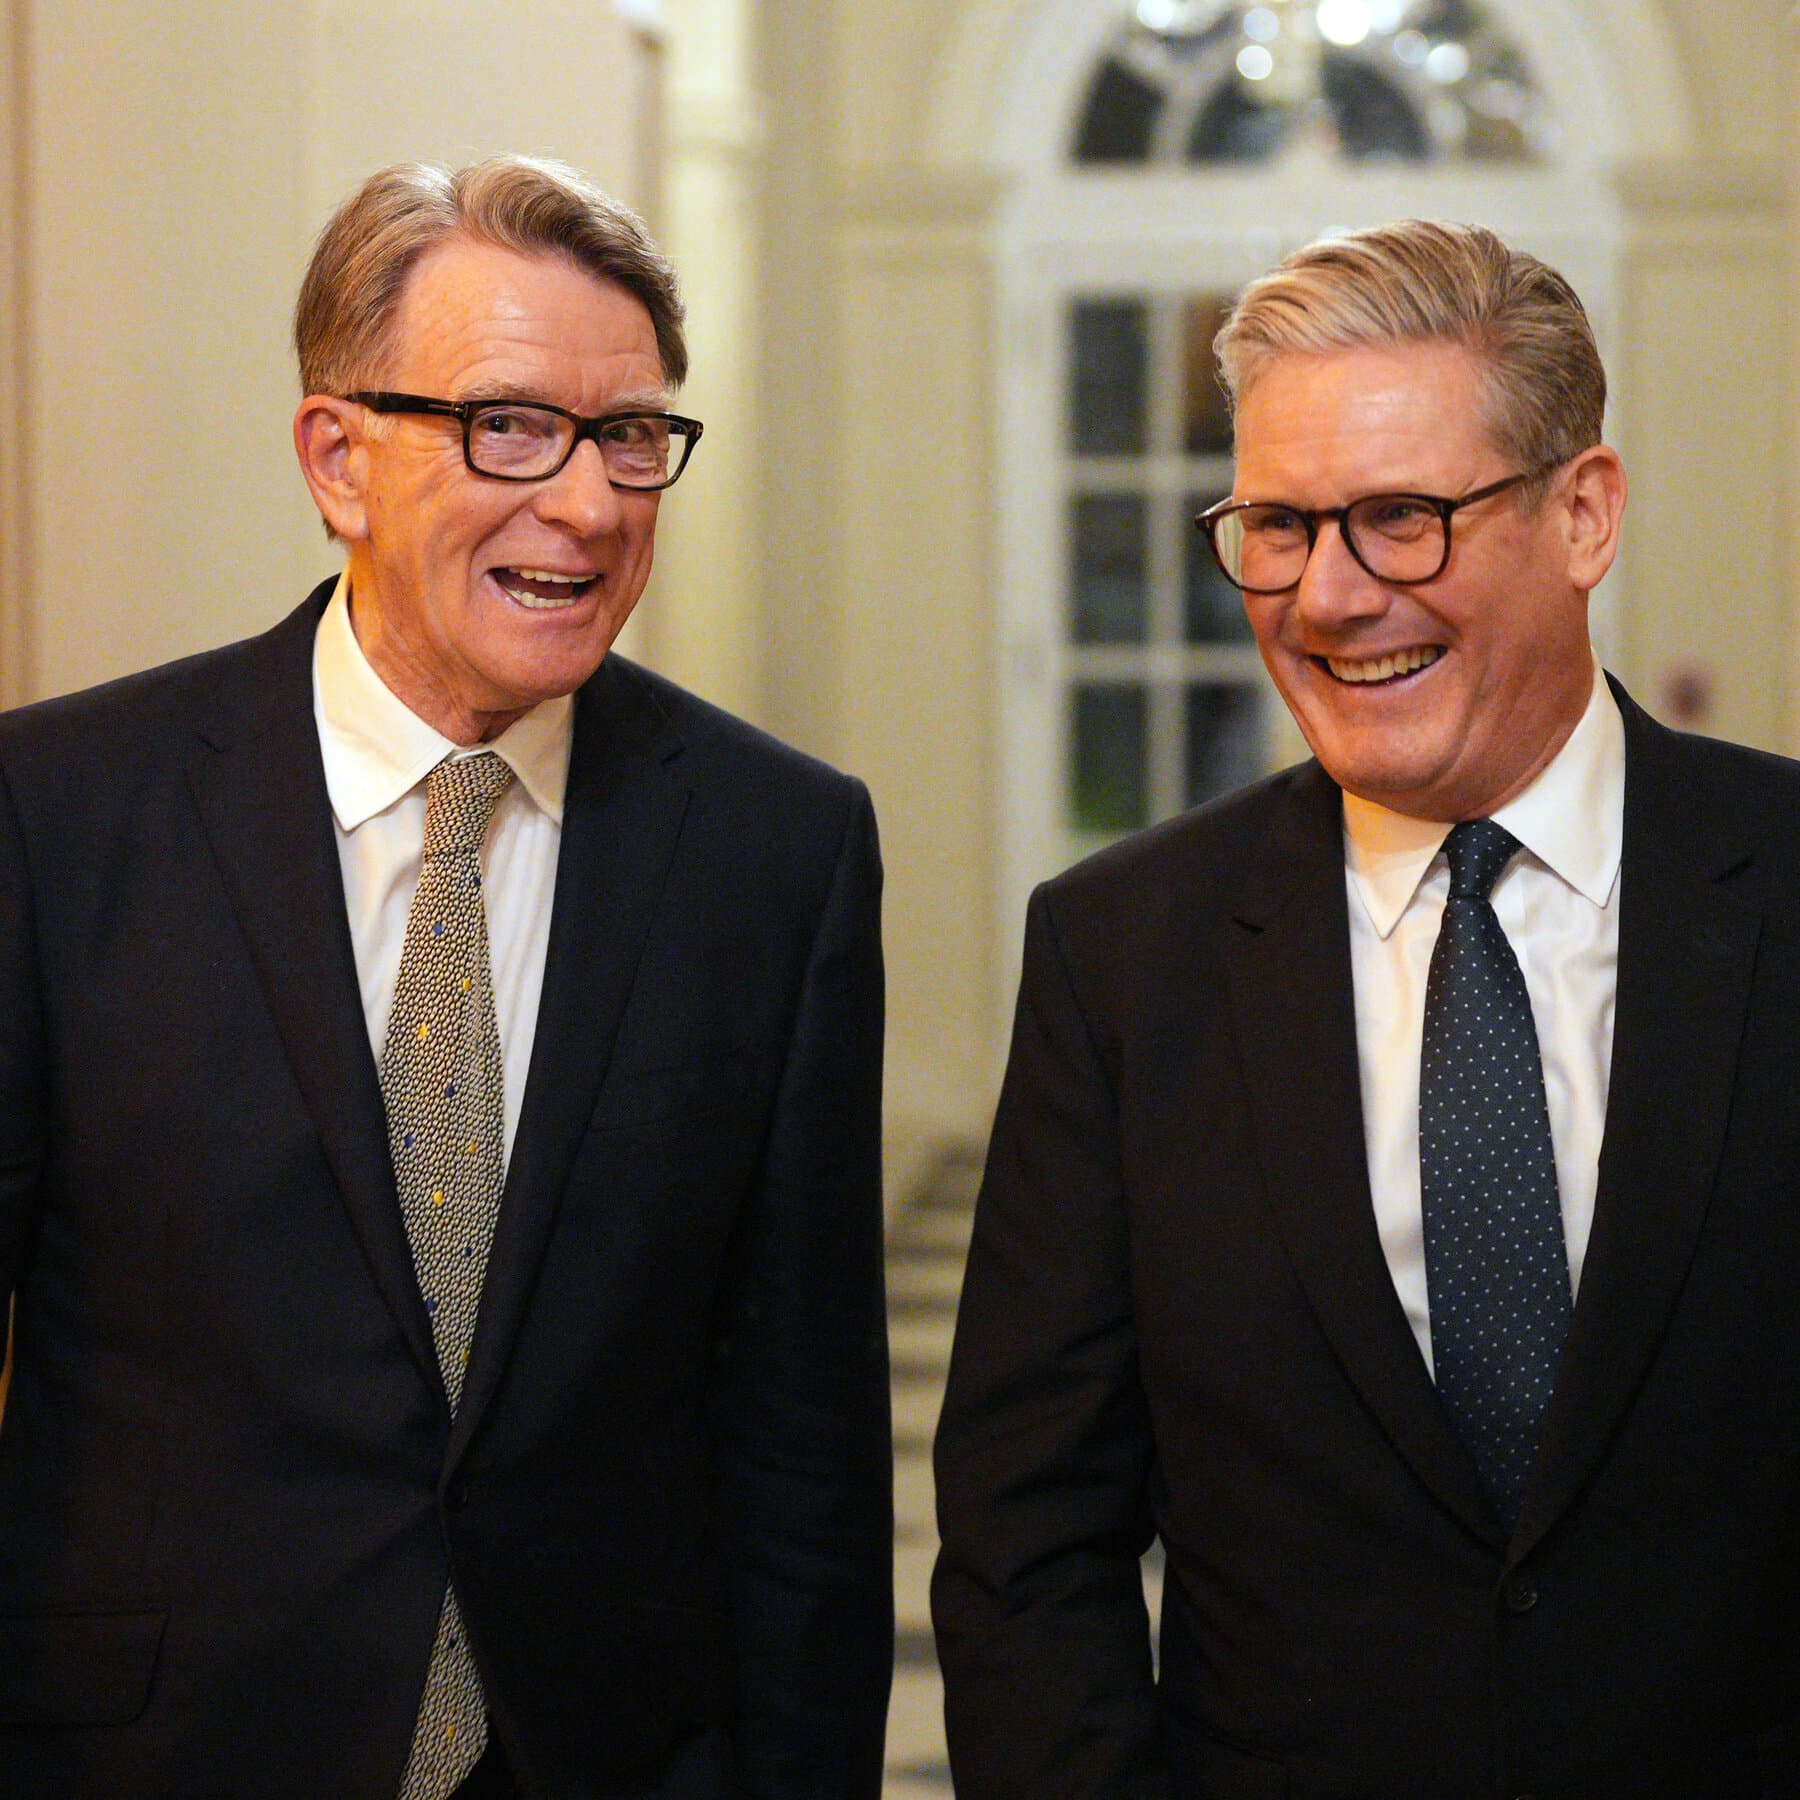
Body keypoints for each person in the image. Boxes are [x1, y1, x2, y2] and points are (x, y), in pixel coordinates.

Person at [0, 156, 891, 1799]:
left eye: (631, 436)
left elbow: (805, 1445)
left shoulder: (780, 851)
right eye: (508, 426)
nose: (589, 502)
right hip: (157, 1752)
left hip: (613, 1751)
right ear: (339, 459)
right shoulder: (57, 817)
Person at [933, 219, 1800, 1797]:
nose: (1329, 598)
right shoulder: (1124, 957)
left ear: (1583, 513)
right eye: (1277, 526)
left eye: (1401, 519)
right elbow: (1025, 1542)